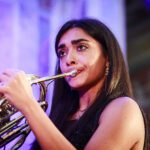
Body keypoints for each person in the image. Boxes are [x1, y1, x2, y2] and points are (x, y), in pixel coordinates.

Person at [0, 18, 148, 150]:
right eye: (62, 53)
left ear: (108, 58)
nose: (68, 59)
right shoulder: (60, 117)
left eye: (81, 47)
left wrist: (27, 104)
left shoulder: (124, 108)